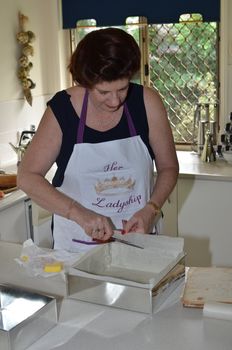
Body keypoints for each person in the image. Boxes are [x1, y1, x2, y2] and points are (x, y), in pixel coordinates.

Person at [17, 27, 179, 252]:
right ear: (85, 82)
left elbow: (169, 167)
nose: (115, 101)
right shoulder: (63, 110)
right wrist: (78, 213)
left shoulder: (147, 103)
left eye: (122, 89)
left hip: (138, 244)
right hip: (77, 248)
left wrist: (151, 209)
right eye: (103, 92)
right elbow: (27, 177)